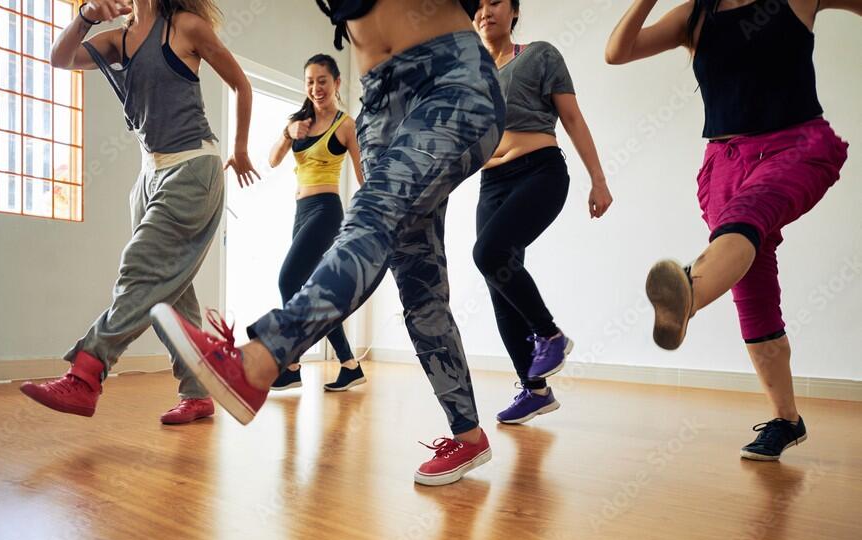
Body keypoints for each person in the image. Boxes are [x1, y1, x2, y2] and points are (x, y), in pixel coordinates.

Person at [152, 0, 506, 485]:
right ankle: (468, 435)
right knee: (418, 280)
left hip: (447, 78)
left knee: (371, 213)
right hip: (379, 105)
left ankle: (260, 360)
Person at [606, 0, 856, 459]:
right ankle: (787, 420)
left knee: (748, 219)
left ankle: (689, 293)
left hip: (796, 147)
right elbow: (617, 52)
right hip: (725, 163)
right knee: (751, 291)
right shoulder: (695, 15)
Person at [20, 0, 258, 425]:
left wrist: (239, 149)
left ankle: (87, 374)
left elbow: (241, 84)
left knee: (140, 269)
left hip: (192, 168)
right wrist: (88, 15)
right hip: (149, 176)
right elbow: (60, 59)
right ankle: (198, 392)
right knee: (171, 296)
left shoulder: (184, 27)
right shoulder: (120, 38)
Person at [472, 0, 613, 425]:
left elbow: (571, 117)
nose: (485, 10)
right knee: (498, 283)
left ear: (514, 12)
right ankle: (534, 391)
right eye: (477, 5)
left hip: (540, 172)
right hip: (491, 183)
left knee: (488, 253)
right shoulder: (471, 77)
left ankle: (550, 334)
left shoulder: (540, 54)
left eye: (495, 2)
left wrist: (599, 179)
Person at [268, 54, 368, 393]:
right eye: (309, 81)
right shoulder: (299, 122)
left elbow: (361, 172)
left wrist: (376, 214)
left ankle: (292, 363)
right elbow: (272, 159)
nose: (315, 88)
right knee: (315, 292)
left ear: (337, 82)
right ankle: (350, 365)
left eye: (322, 80)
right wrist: (287, 131)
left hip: (326, 212)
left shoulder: (345, 125)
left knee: (288, 280)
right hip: (301, 212)